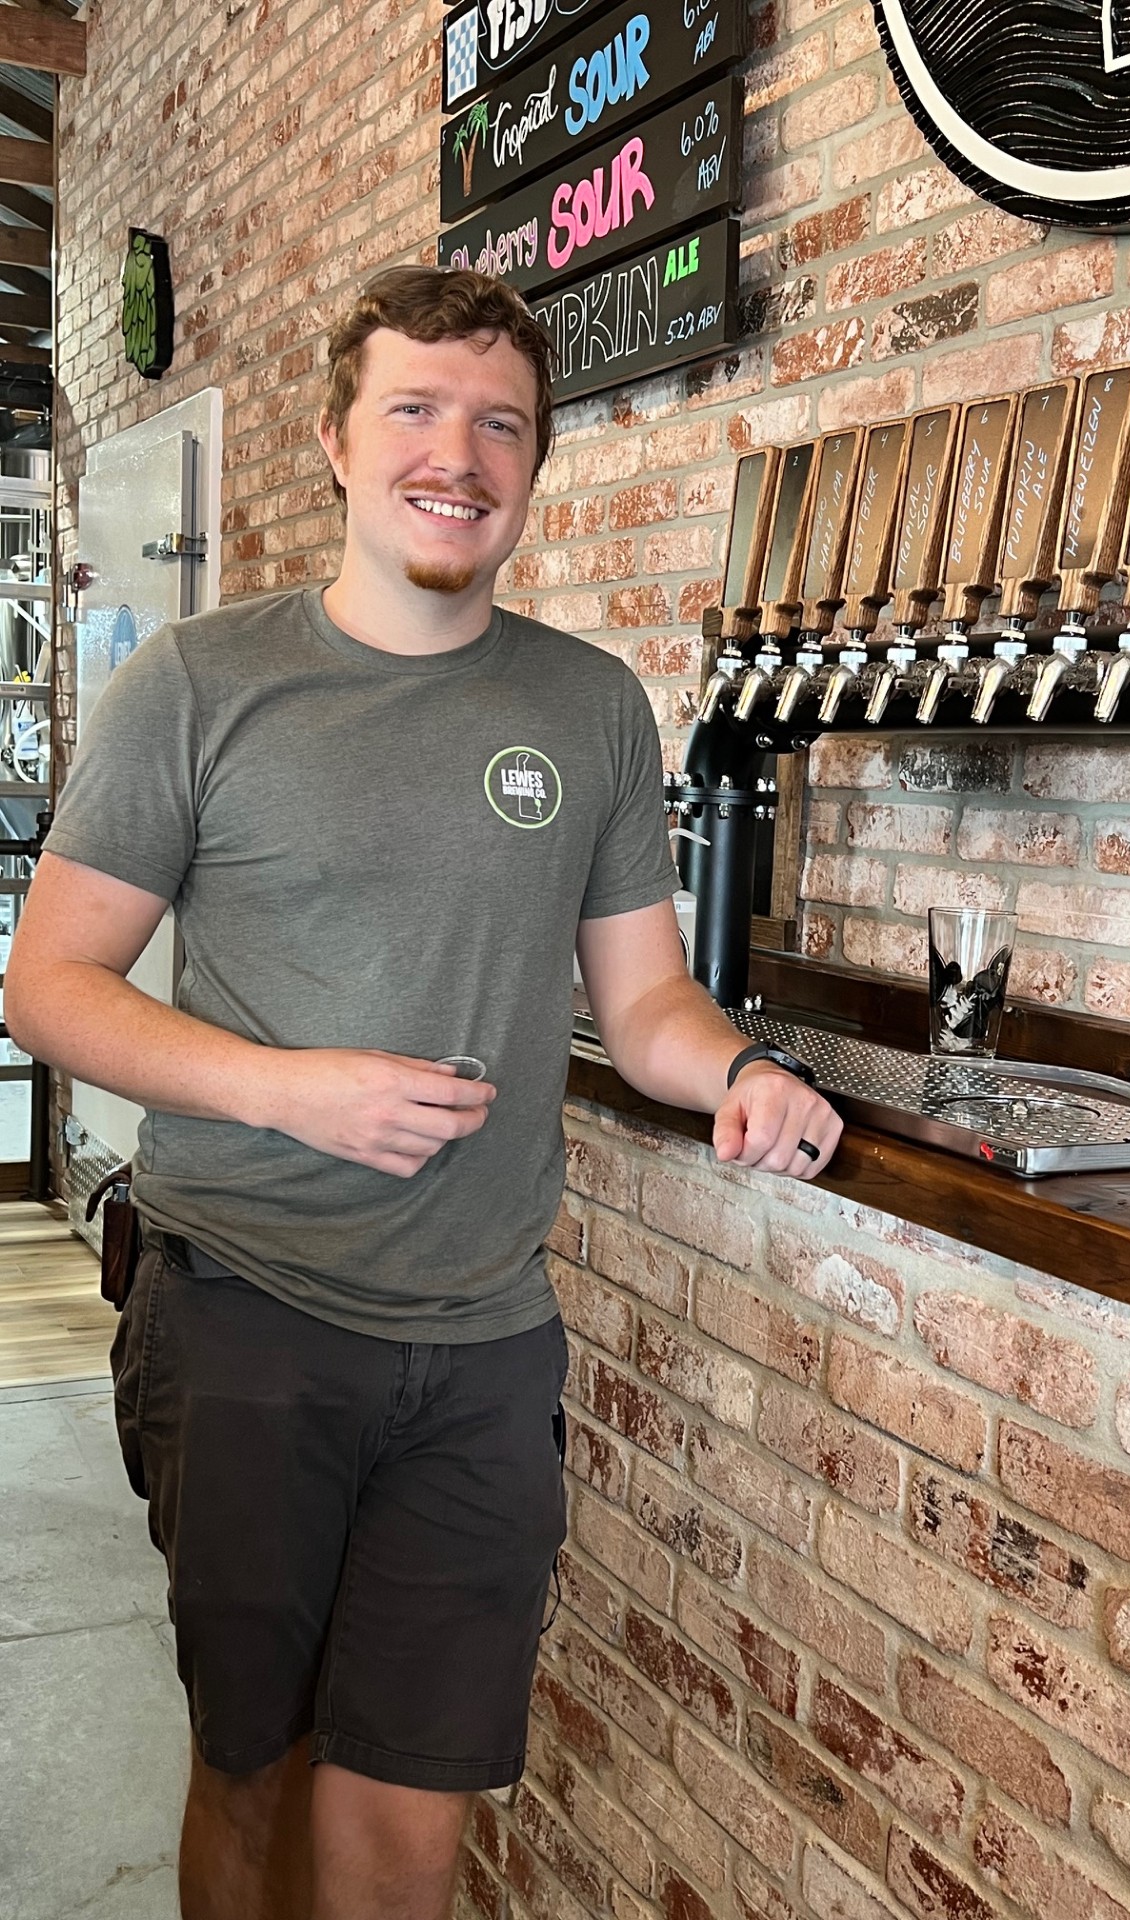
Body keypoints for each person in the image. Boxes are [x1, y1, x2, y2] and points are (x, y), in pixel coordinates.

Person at [6, 266, 841, 1920]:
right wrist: (284, 1092)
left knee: (411, 1818)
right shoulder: (196, 684)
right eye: (414, 407)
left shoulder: (590, 707)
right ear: (336, 439)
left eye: (500, 424)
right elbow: (47, 983)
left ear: (534, 463)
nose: (456, 453)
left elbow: (644, 996)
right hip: (244, 1315)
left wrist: (741, 1069)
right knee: (253, 1770)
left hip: (479, 1344)